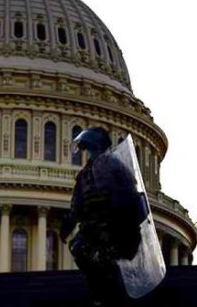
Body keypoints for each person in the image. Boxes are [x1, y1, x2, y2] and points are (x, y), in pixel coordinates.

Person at [60, 127, 143, 306]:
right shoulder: (84, 175)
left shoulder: (115, 167)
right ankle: (98, 291)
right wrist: (67, 226)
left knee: (105, 257)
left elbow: (131, 195)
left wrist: (128, 220)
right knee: (78, 248)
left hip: (114, 226)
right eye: (86, 150)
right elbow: (77, 205)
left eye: (90, 149)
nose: (88, 153)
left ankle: (111, 291)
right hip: (92, 228)